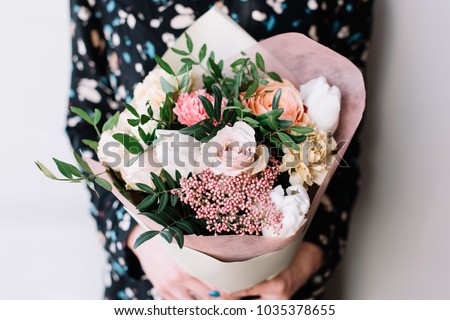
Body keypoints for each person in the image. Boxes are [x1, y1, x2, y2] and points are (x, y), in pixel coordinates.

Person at [67, 0, 374, 300]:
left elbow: (347, 127)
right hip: (156, 286)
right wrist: (136, 240)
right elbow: (87, 115)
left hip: (281, 289)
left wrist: (308, 257)